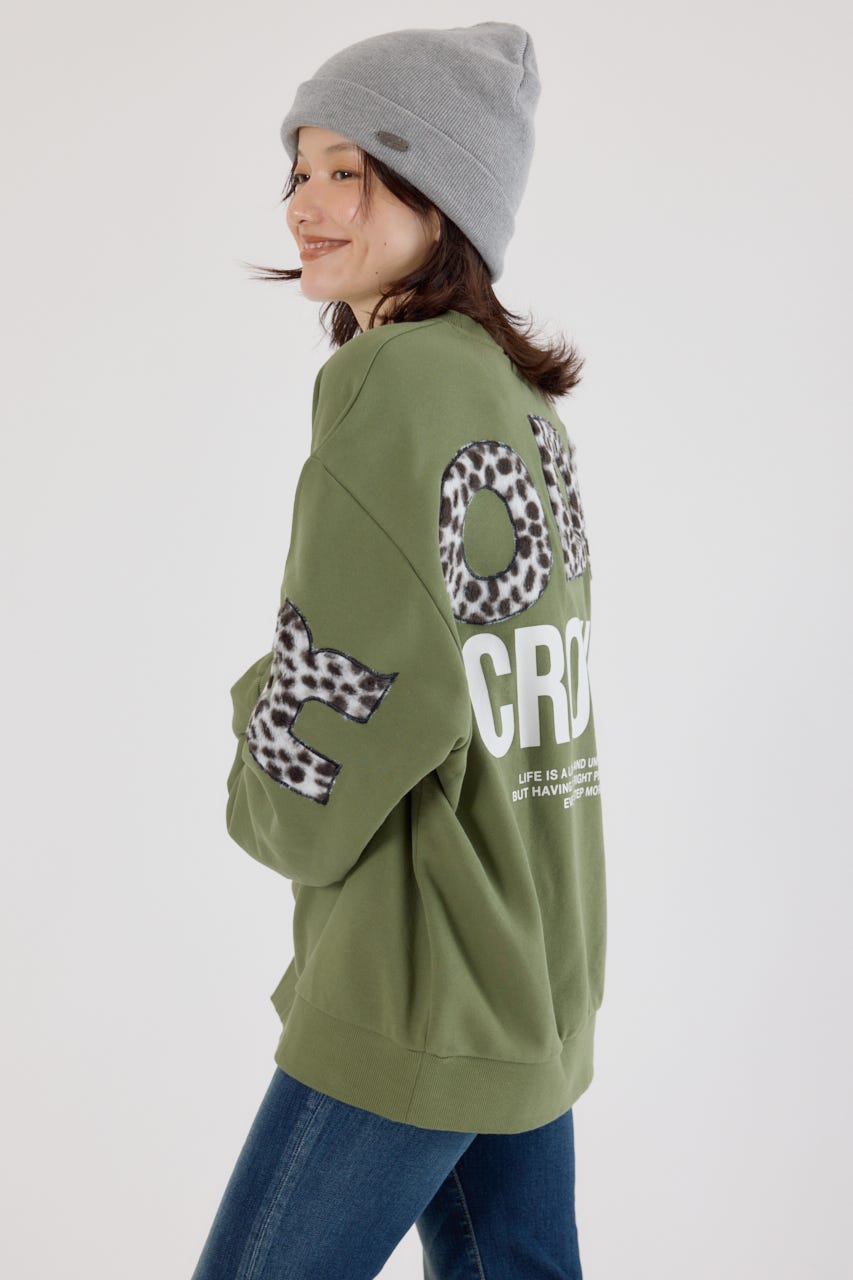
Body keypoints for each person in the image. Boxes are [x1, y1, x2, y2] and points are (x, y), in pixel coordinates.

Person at [191, 21, 607, 1280]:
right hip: (530, 949)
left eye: (351, 171)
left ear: (445, 197)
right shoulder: (515, 401)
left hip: (416, 970)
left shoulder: (388, 382)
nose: (305, 204)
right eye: (300, 169)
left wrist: (254, 772)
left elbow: (346, 690)